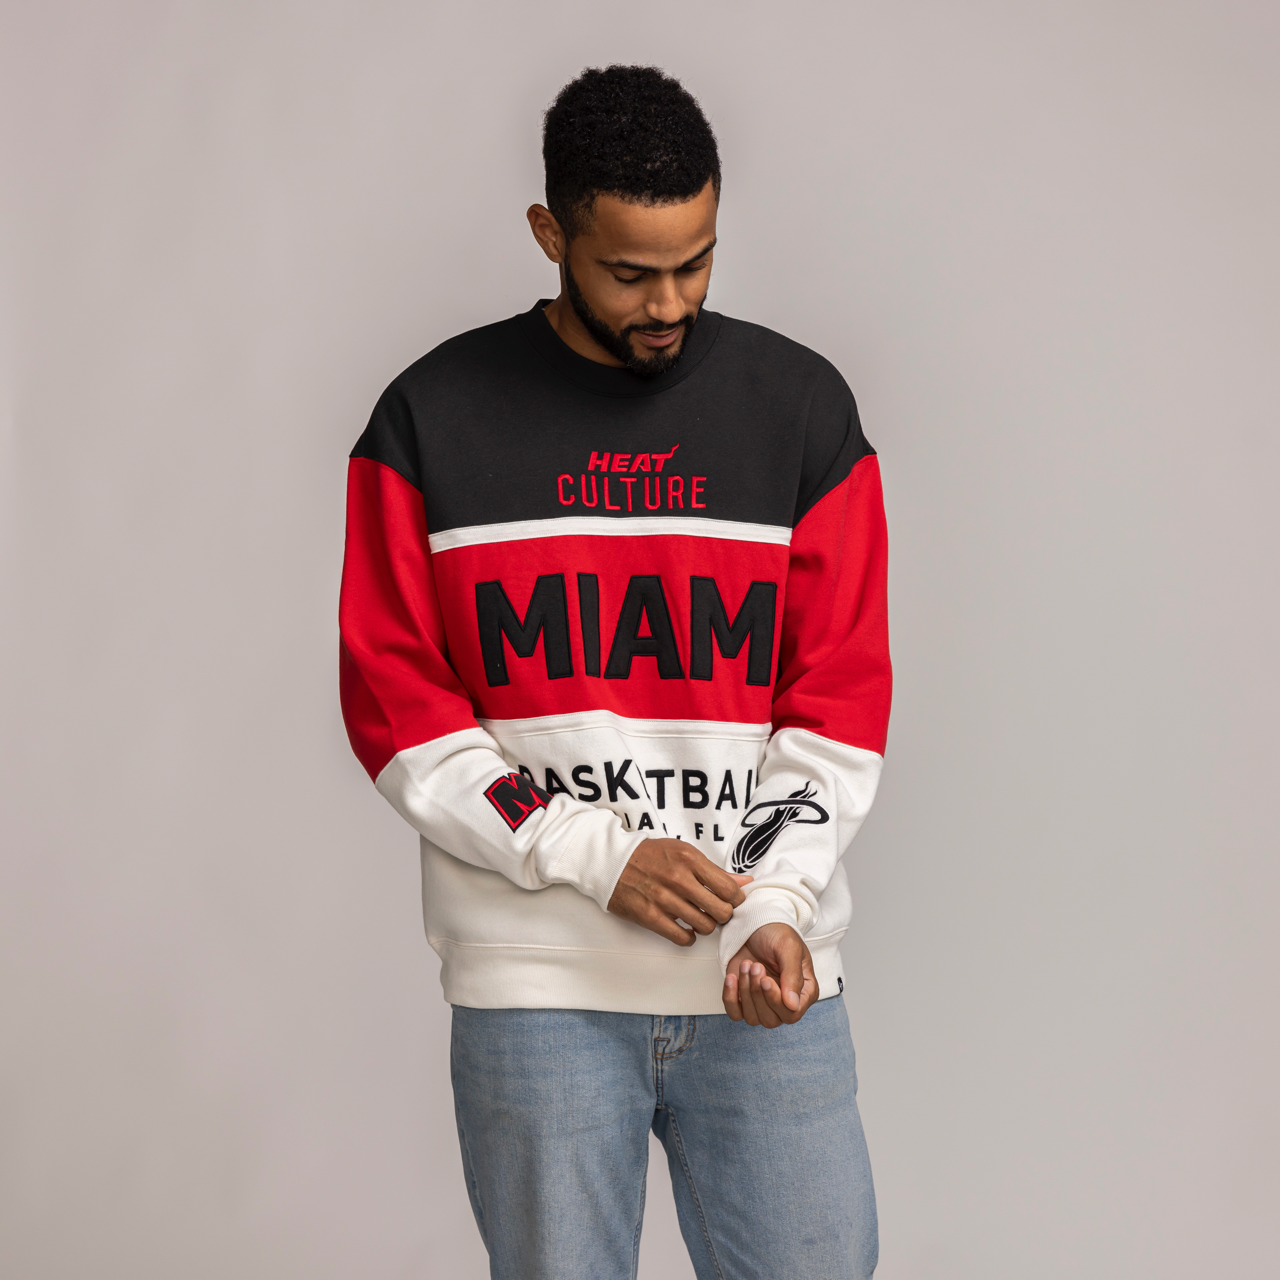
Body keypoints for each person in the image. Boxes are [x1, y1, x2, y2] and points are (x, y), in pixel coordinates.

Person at [339, 64, 891, 1280]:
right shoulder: (429, 419)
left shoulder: (800, 411)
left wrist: (773, 902)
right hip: (537, 983)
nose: (669, 302)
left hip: (758, 966)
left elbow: (834, 705)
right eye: (630, 272)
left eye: (696, 261)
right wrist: (594, 853)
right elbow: (399, 707)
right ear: (551, 234)